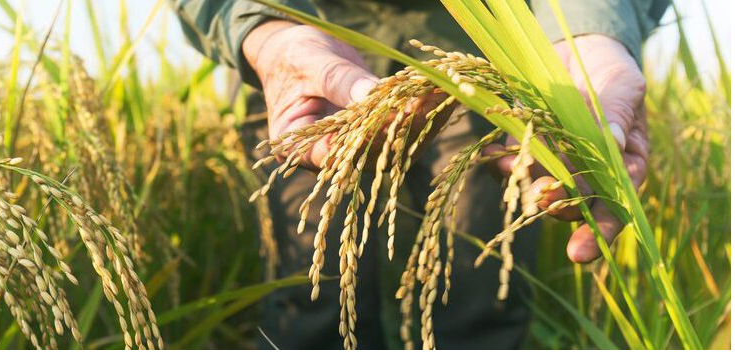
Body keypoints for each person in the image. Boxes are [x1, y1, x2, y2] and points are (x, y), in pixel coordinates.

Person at [172, 0, 666, 349]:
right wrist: (264, 29)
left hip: (475, 44)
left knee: (475, 289)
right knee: (309, 295)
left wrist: (590, 34)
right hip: (302, 38)